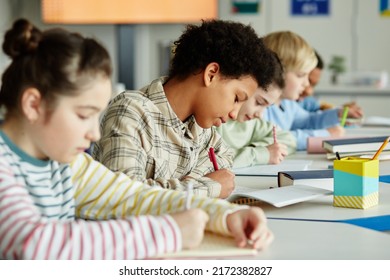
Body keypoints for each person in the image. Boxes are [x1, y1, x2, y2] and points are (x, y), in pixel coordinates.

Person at [0, 18, 273, 260]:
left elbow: (135, 196)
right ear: (34, 105)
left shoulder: (65, 164)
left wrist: (224, 216)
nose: (94, 133)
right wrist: (170, 231)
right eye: (84, 115)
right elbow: (33, 245)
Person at [92, 19, 279, 198]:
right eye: (236, 98)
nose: (234, 113)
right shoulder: (130, 112)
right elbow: (123, 196)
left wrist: (187, 183)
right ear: (211, 74)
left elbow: (224, 156)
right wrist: (207, 186)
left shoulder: (199, 127)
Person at [260, 31, 353, 151]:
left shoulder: (287, 104)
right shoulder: (261, 106)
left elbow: (308, 120)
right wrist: (325, 135)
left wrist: (336, 114)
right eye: (300, 75)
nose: (306, 83)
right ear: (277, 71)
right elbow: (276, 139)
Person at [216, 52, 297, 168]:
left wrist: (257, 149)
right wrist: (260, 153)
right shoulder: (214, 119)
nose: (260, 114)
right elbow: (211, 161)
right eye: (259, 103)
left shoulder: (251, 123)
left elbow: (289, 140)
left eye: (267, 107)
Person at [298, 50, 364, 118]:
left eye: (313, 85)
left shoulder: (306, 100)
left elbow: (318, 109)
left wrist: (341, 111)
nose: (309, 91)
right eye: (307, 80)